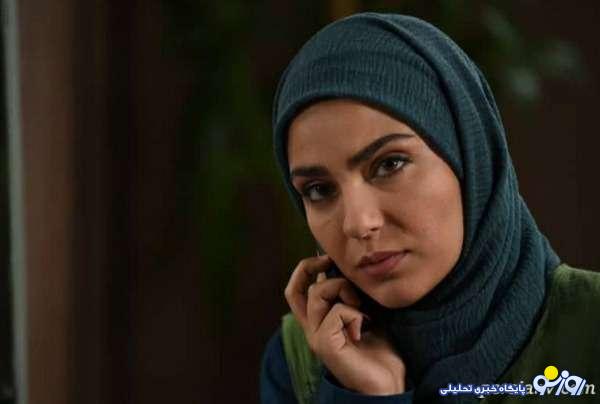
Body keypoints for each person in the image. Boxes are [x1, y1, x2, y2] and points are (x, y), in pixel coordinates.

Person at [260, 12, 600, 404]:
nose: (359, 223)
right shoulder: (299, 364)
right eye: (319, 190)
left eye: (390, 164)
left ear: (468, 157)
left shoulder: (588, 331)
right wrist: (370, 396)